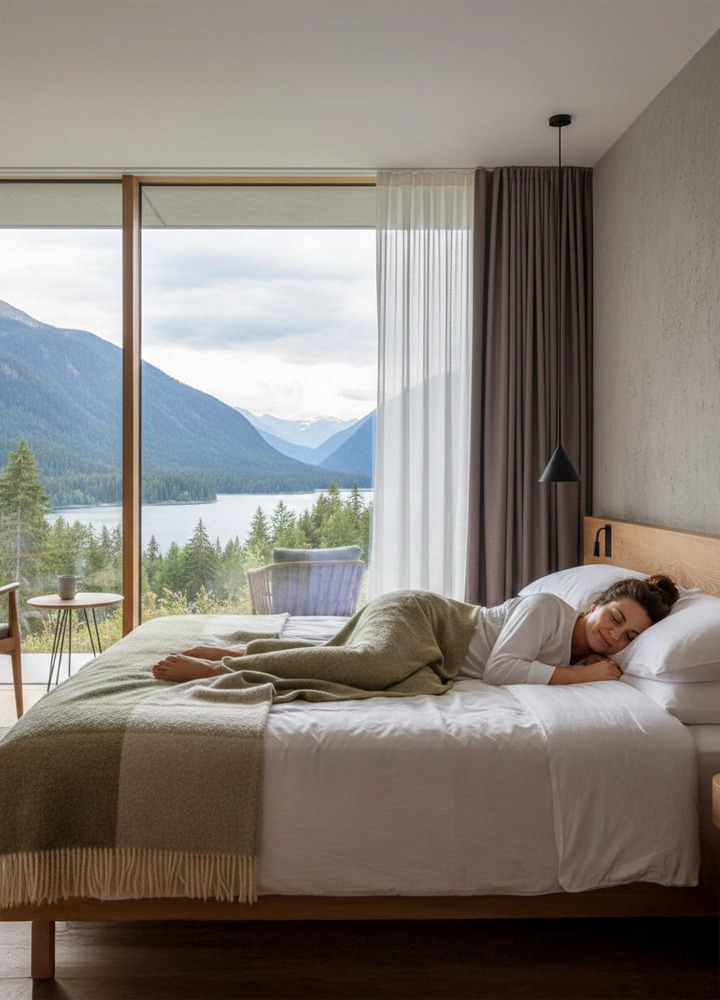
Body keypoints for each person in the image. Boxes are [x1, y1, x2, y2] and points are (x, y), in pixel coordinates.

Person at [151, 574, 679, 689]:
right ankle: (225, 667)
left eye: (632, 636)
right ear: (594, 604)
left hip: (430, 641)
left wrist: (583, 669)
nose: (618, 637)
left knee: (342, 654)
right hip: (426, 619)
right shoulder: (547, 608)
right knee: (370, 666)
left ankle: (243, 648)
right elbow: (501, 669)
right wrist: (582, 678)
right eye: (616, 619)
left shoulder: (582, 654)